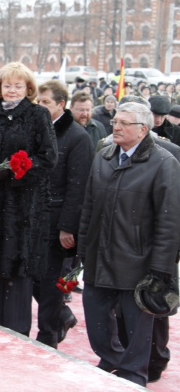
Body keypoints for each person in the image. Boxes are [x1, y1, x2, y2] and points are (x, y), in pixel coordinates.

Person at [78, 102, 180, 387]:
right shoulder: (104, 156)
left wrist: (160, 269)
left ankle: (133, 376)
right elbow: (89, 207)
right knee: (97, 322)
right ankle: (112, 359)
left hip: (138, 262)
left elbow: (169, 222)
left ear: (143, 129)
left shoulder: (163, 163)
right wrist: (84, 249)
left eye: (124, 123)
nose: (116, 127)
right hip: (99, 256)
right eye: (115, 122)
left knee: (137, 331)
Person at [0, 62, 57, 336]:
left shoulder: (38, 115)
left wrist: (17, 171)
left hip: (23, 207)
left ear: (28, 88)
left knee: (18, 272)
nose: (13, 91)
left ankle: (17, 334)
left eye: (18, 86)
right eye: (8, 86)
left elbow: (48, 157)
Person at [33, 80, 94, 348]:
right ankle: (63, 316)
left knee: (49, 280)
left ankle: (48, 334)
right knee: (31, 277)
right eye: (38, 101)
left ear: (61, 104)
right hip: (33, 216)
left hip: (56, 218)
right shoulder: (36, 129)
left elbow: (78, 186)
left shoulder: (77, 137)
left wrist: (68, 226)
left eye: (45, 102)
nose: (40, 106)